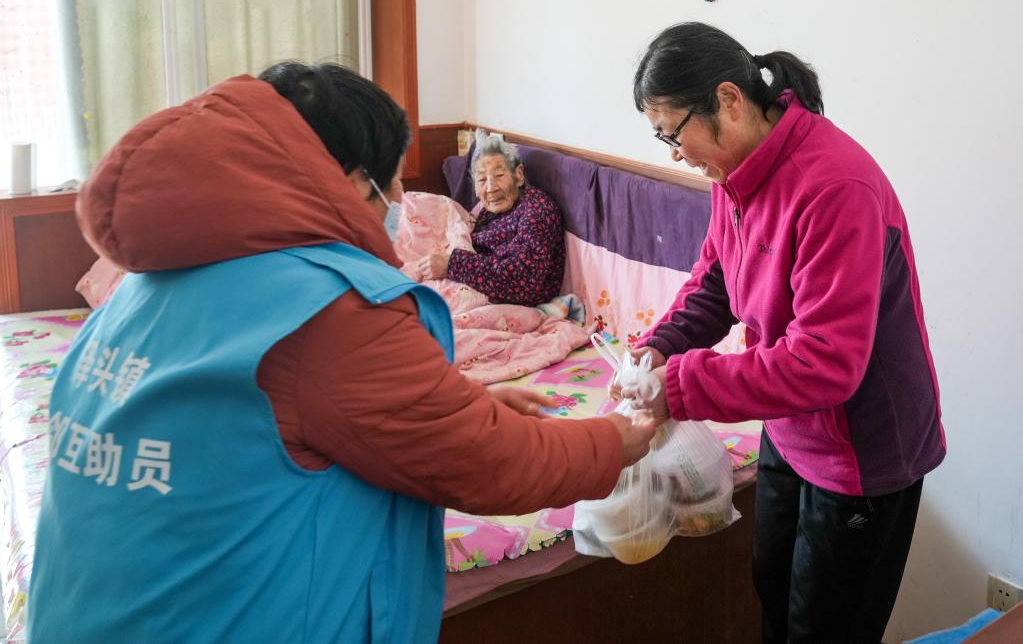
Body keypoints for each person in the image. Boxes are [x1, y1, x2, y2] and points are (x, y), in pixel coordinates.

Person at [28, 62, 657, 643]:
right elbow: (482, 462)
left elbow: (266, 415)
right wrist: (611, 442)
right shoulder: (328, 304)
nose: (397, 204)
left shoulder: (141, 288)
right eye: (392, 183)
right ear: (355, 181)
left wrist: (462, 400)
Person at [621, 23, 945, 644]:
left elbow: (826, 362)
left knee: (822, 628)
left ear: (729, 100)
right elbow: (716, 279)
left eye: (672, 132)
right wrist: (659, 347)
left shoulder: (834, 186)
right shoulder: (733, 174)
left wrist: (682, 385)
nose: (674, 153)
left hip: (863, 453)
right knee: (772, 589)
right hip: (791, 424)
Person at [416, 130, 565, 306]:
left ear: (518, 175)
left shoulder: (537, 210)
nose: (491, 187)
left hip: (516, 304)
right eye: (481, 180)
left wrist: (452, 264)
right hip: (479, 284)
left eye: (499, 176)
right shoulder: (492, 209)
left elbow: (523, 281)